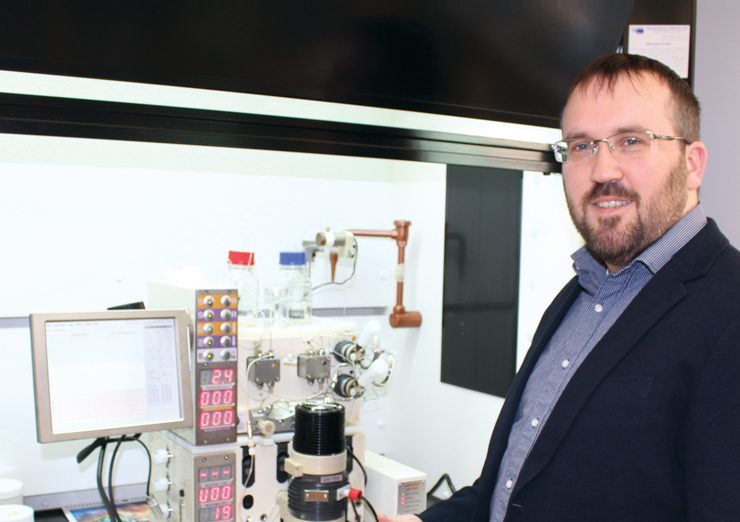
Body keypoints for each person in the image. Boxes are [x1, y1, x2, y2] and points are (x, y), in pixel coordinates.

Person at [379, 53, 740, 521]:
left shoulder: (729, 310)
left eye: (631, 141)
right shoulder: (579, 296)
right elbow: (509, 490)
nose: (603, 170)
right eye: (582, 146)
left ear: (692, 164)